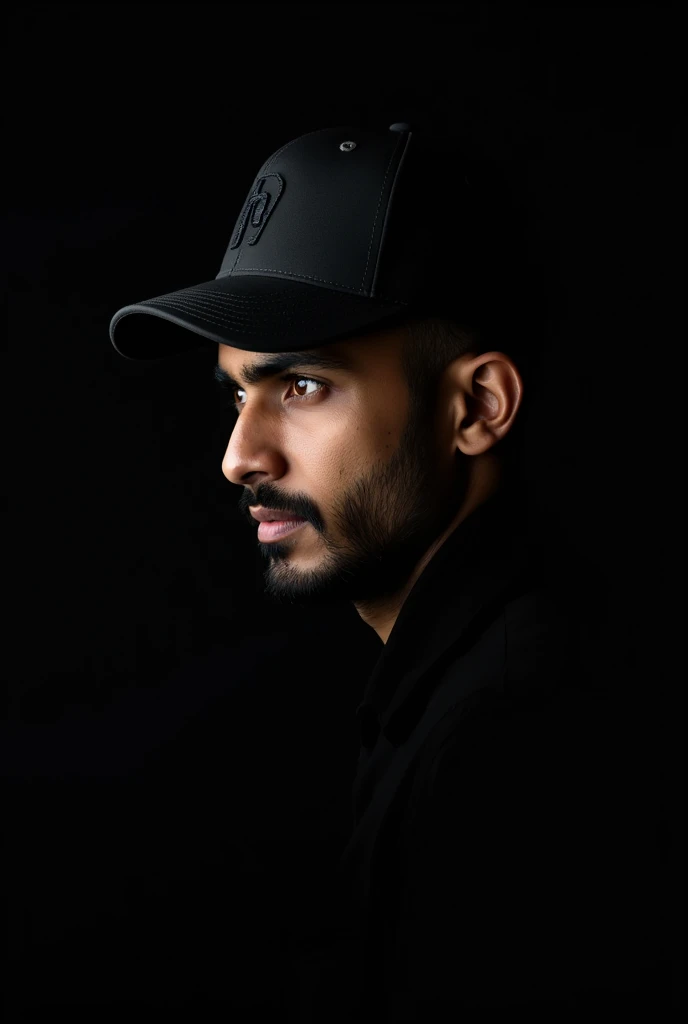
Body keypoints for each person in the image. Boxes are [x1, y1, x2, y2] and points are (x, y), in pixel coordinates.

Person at [110, 124, 667, 1019]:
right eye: (237, 392)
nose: (239, 456)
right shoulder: (451, 686)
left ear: (477, 407)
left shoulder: (522, 738)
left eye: (300, 386)